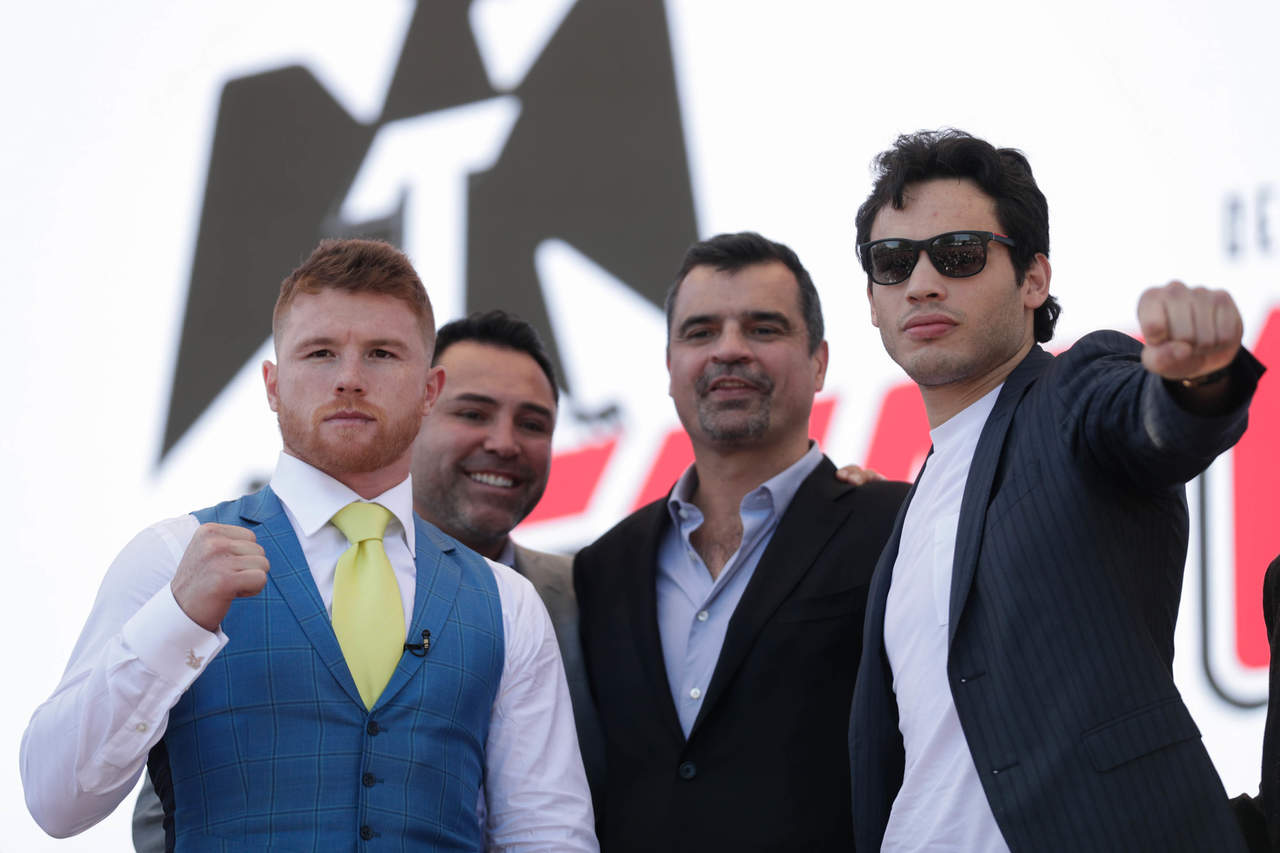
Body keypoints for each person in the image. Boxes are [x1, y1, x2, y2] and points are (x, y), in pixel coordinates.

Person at [23, 239, 595, 851]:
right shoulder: (171, 557)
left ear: (430, 390)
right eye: (320, 352)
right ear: (272, 385)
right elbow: (56, 802)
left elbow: (549, 835)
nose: (350, 379)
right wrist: (176, 619)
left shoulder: (507, 602)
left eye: (381, 354)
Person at [848, 129, 1264, 852]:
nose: (922, 283)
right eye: (894, 261)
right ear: (874, 300)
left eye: (959, 254)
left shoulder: (1071, 392)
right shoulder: (915, 505)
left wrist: (1197, 381)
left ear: (1033, 279)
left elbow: (1148, 417)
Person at [573, 231, 909, 851]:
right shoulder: (601, 567)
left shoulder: (896, 526)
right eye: (700, 332)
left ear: (819, 363)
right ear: (670, 366)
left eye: (763, 328)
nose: (729, 350)